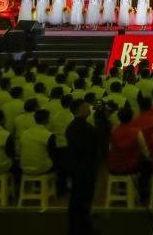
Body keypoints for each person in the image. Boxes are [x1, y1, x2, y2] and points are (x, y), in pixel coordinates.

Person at [66, 100, 98, 235]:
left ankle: (80, 227)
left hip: (79, 167)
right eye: (85, 106)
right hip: (83, 168)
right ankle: (81, 228)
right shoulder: (82, 128)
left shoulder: (74, 126)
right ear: (78, 110)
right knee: (82, 199)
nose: (89, 108)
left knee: (80, 199)